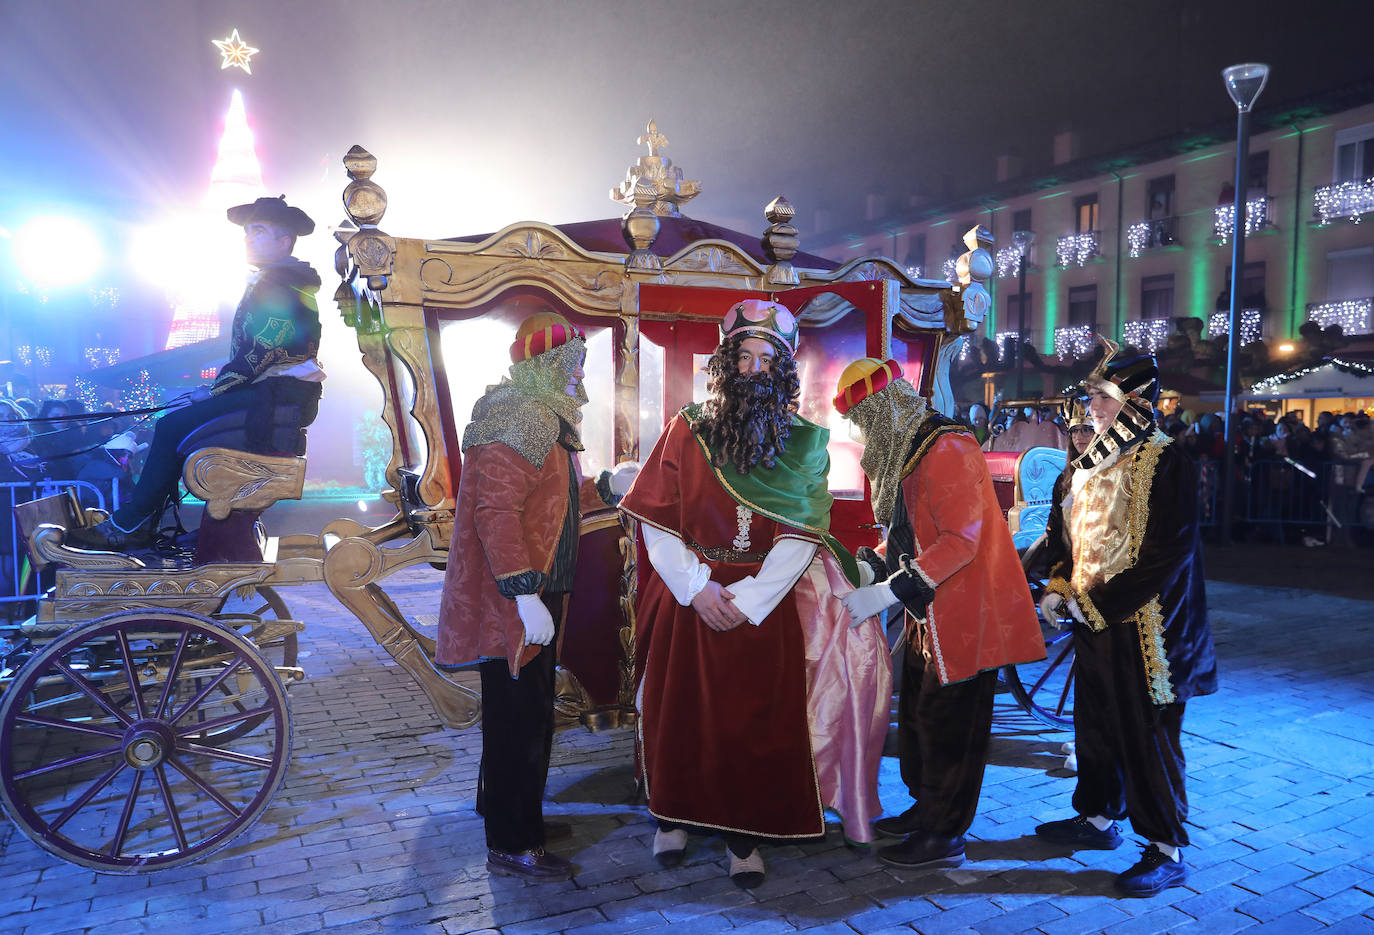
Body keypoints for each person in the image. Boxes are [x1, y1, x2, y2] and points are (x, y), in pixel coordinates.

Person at [620, 299, 887, 889]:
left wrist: (748, 599)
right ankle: (672, 816)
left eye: (768, 357)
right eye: (743, 354)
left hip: (762, 608)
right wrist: (698, 590)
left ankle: (744, 835)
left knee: (754, 722)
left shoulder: (805, 445)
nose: (754, 366)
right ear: (726, 361)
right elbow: (656, 521)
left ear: (785, 370)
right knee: (677, 712)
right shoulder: (686, 429)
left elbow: (801, 536)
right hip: (688, 599)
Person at [434, 311, 630, 883]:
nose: (579, 378)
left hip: (537, 589)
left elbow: (553, 503)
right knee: (518, 718)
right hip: (516, 597)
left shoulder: (541, 417)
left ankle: (515, 815)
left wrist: (606, 487)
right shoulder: (517, 415)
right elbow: (497, 514)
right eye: (572, 365)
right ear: (547, 364)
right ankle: (512, 840)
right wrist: (523, 595)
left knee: (527, 713)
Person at [834, 358, 1044, 870]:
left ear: (883, 410)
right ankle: (926, 808)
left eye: (864, 419)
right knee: (924, 719)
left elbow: (959, 543)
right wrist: (872, 569)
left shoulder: (946, 446)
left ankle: (945, 832)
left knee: (951, 726)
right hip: (929, 611)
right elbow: (910, 531)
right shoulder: (911, 450)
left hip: (965, 611)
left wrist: (885, 593)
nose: (862, 434)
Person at [1034, 340, 1217, 898]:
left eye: (1103, 397)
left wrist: (1094, 605)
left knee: (1148, 737)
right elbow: (1064, 535)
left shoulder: (1169, 461)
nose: (1092, 408)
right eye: (1091, 396)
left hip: (1151, 630)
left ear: (1135, 400)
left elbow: (1168, 555)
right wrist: (1059, 586)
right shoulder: (1087, 463)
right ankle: (1096, 818)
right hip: (1094, 623)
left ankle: (1165, 847)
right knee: (1095, 725)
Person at [69, 196, 323, 551]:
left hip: (275, 393)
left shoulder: (277, 284)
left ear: (284, 242)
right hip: (276, 390)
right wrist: (216, 388)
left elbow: (264, 351)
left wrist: (216, 390)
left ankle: (130, 524)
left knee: (170, 424)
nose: (249, 238)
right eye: (248, 231)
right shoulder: (281, 280)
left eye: (259, 231)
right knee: (175, 420)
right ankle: (140, 519)